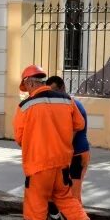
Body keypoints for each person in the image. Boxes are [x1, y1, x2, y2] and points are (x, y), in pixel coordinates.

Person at [14, 65, 95, 220]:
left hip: (38, 165)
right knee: (65, 198)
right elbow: (79, 124)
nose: (26, 91)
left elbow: (19, 138)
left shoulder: (25, 106)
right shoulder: (67, 100)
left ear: (30, 82)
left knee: (37, 203)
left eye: (26, 86)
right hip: (62, 163)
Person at [46, 75, 90, 203]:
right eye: (49, 92)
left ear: (62, 88)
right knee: (63, 194)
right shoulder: (63, 106)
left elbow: (70, 136)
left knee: (73, 196)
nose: (52, 94)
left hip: (77, 155)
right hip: (70, 155)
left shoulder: (72, 105)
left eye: (54, 90)